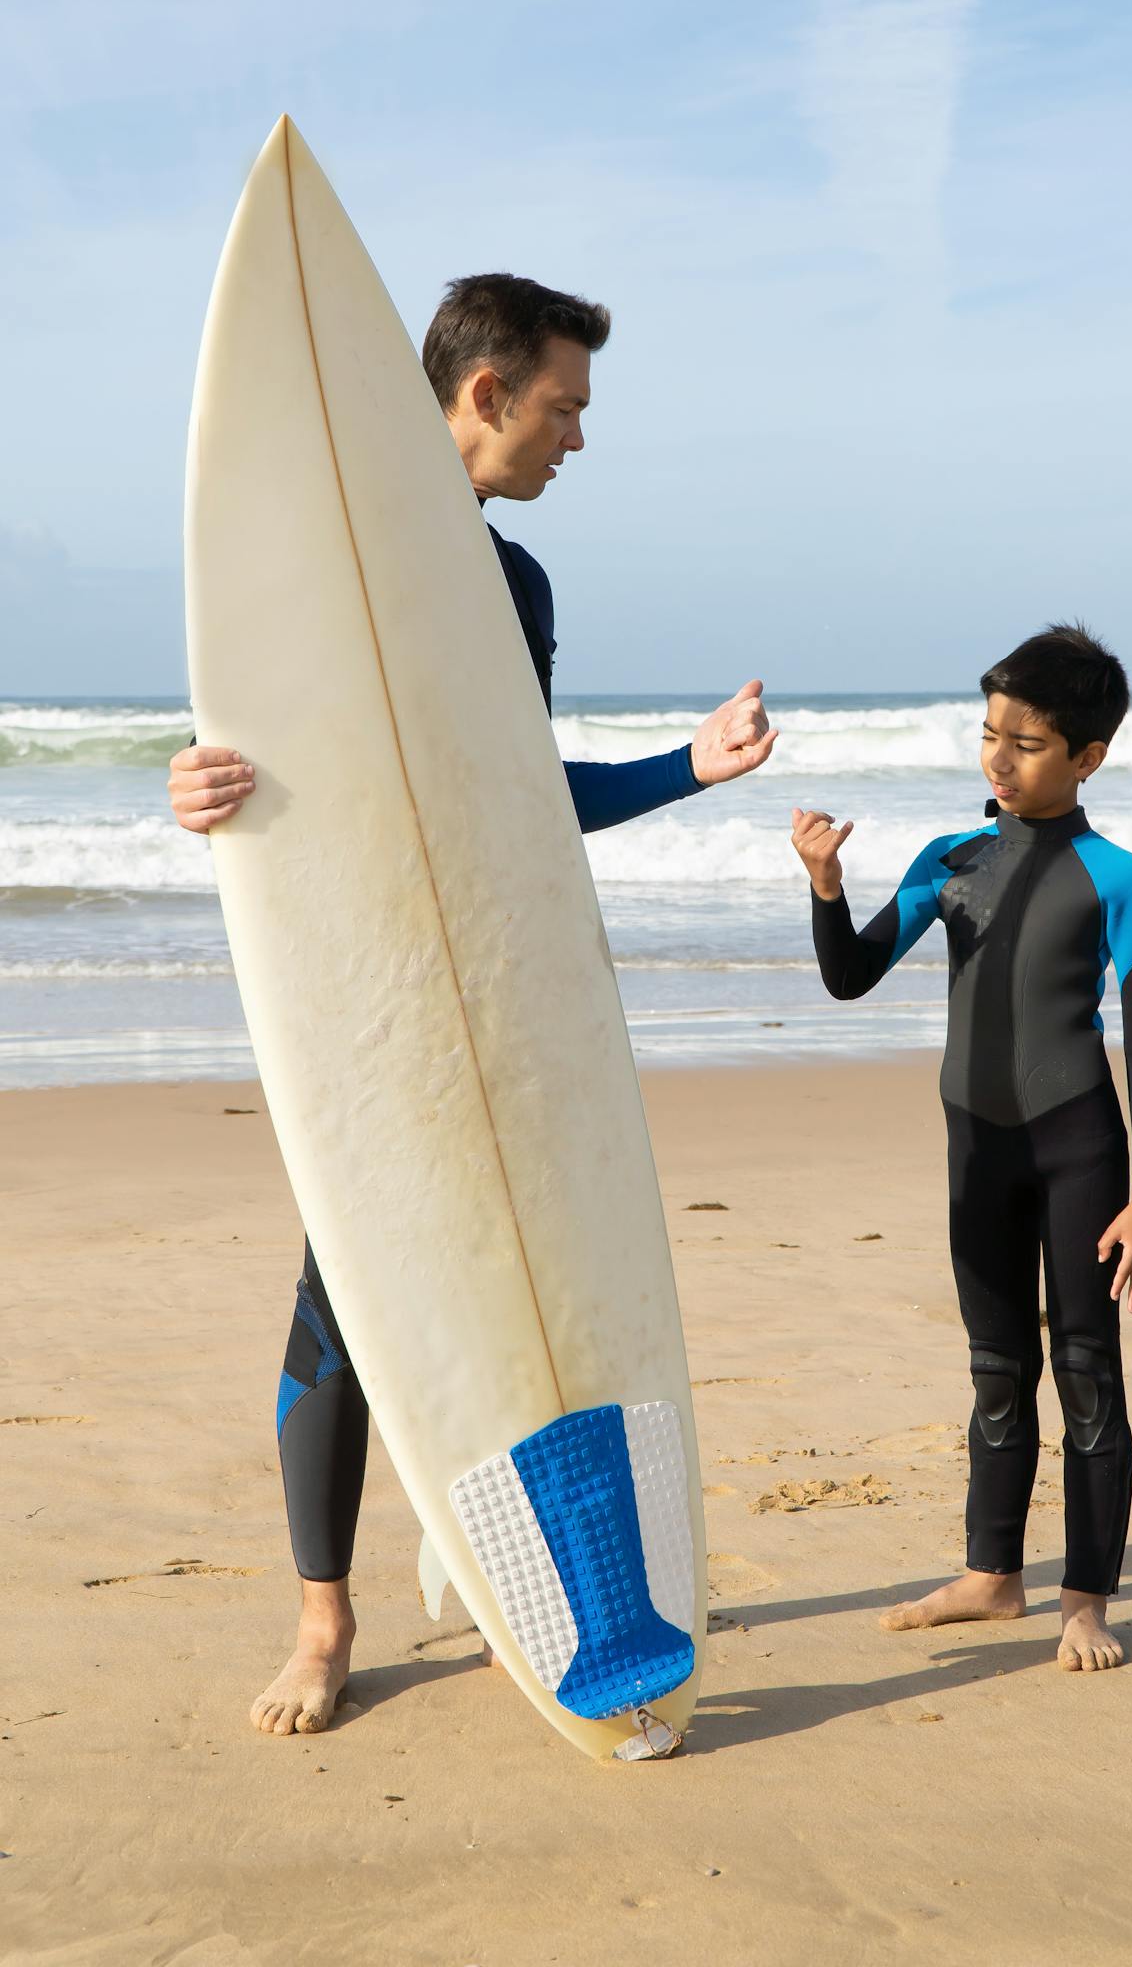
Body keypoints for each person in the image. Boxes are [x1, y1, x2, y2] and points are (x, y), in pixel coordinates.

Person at [168, 273, 777, 1733]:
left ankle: (512, 1552)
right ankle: (324, 1622)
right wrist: (187, 790)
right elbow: (250, 753)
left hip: (501, 967)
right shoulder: (302, 558)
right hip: (367, 985)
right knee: (355, 1287)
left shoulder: (515, 589)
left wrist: (684, 770)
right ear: (486, 395)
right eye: (563, 406)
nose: (576, 438)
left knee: (526, 1272)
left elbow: (517, 801)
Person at [791, 624, 1132, 1673]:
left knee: (1088, 1370)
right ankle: (992, 1574)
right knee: (998, 1368)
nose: (999, 758)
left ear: (1088, 755)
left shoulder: (1120, 876)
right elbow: (851, 975)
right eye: (989, 732)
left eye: (1029, 741)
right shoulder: (949, 859)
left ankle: (1085, 1597)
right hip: (977, 1151)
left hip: (1081, 1149)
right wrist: (825, 885)